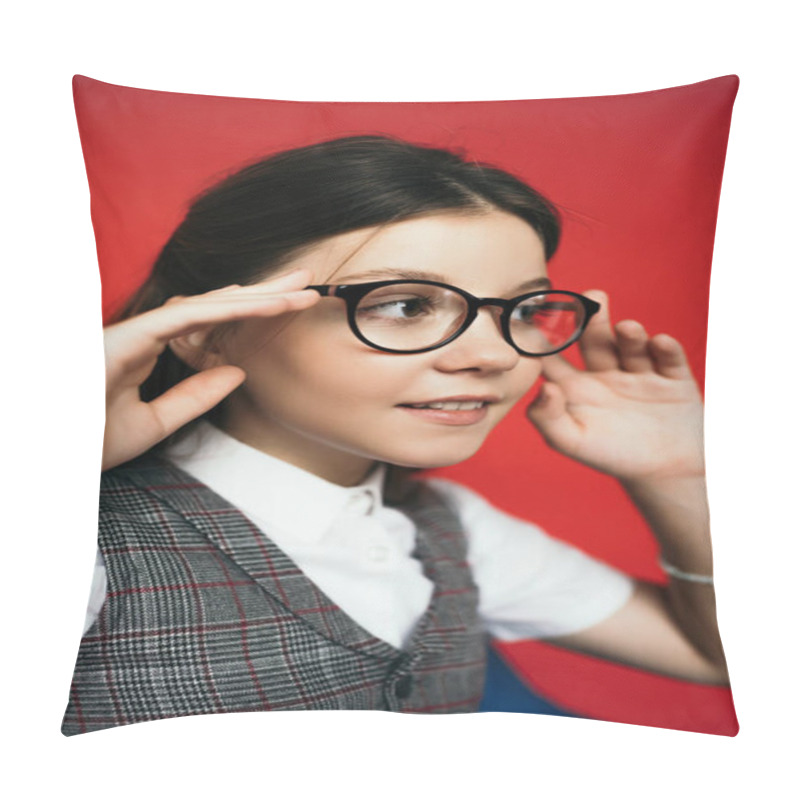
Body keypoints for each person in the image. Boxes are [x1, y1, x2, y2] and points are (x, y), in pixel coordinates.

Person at [62, 135, 729, 735]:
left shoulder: (455, 533)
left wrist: (676, 475)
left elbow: (717, 656)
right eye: (406, 305)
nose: (494, 355)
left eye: (521, 310)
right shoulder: (86, 540)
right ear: (208, 328)